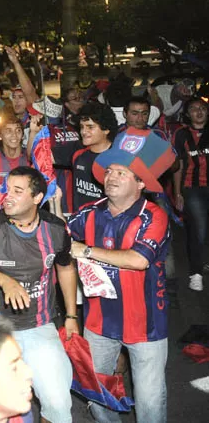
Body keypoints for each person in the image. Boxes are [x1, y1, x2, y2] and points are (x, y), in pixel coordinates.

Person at [67, 127, 175, 423]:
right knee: (96, 393)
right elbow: (56, 237)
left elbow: (139, 260)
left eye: (121, 173)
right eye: (109, 171)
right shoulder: (88, 212)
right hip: (98, 323)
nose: (111, 177)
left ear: (141, 183)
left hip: (146, 325)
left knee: (150, 402)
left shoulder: (154, 215)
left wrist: (85, 250)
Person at [0, 167, 77, 423]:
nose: (7, 195)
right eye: (7, 189)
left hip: (39, 326)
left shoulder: (56, 229)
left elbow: (65, 268)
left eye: (18, 191)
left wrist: (71, 315)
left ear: (38, 197)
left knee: (59, 405)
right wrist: (5, 281)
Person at [173, 98, 209, 291]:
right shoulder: (181, 134)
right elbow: (177, 165)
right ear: (187, 114)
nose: (199, 112)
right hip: (192, 188)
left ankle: (203, 261)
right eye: (194, 109)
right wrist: (178, 192)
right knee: (198, 230)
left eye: (203, 108)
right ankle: (195, 273)